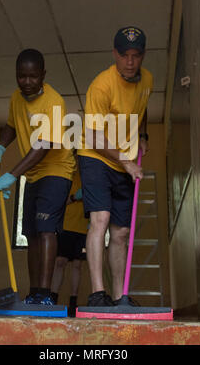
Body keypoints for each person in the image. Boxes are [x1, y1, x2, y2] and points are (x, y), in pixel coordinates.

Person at [0, 48, 75, 305]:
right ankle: (34, 292)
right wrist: (1, 145)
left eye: (33, 76)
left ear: (43, 75)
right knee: (32, 233)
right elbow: (12, 126)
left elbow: (44, 146)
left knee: (47, 229)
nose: (27, 82)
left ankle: (45, 295)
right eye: (21, 76)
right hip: (34, 173)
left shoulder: (54, 102)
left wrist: (12, 175)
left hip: (56, 170)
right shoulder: (16, 97)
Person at [77, 26, 153, 307]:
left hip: (125, 161)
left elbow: (142, 108)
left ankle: (120, 297)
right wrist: (127, 162)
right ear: (114, 54)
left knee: (121, 232)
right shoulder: (101, 85)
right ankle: (98, 293)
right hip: (96, 155)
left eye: (136, 55)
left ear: (143, 55)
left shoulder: (147, 79)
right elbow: (94, 138)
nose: (130, 62)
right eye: (124, 55)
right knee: (101, 219)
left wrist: (143, 135)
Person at [50, 168, 88, 317]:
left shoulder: (88, 176)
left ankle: (73, 302)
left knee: (78, 264)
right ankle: (53, 298)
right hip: (66, 226)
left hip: (83, 228)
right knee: (60, 261)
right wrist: (74, 197)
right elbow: (57, 203)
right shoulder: (66, 176)